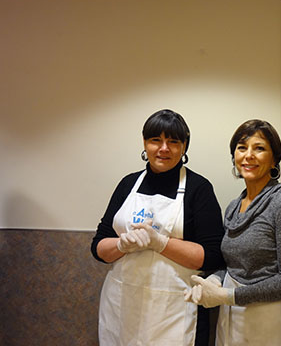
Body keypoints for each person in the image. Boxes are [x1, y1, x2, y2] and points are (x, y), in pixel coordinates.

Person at [91, 109, 225, 346]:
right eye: (156, 140)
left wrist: (160, 243)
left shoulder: (199, 188)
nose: (164, 148)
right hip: (123, 307)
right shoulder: (128, 184)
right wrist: (122, 244)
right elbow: (99, 247)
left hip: (174, 311)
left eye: (173, 142)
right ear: (145, 143)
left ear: (184, 147)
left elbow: (212, 257)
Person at [184, 119, 281, 346]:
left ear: (274, 159)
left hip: (269, 319)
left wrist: (231, 296)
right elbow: (232, 263)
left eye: (259, 148)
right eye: (242, 148)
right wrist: (215, 279)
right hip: (231, 316)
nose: (248, 155)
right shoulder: (234, 206)